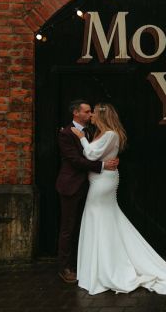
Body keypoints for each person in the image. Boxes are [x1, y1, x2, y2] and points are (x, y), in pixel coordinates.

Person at [71, 102, 166, 296]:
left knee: (99, 217)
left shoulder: (110, 134)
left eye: (94, 112)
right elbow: (96, 158)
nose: (92, 115)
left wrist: (81, 139)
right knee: (103, 219)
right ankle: (100, 264)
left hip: (103, 183)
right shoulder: (100, 134)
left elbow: (91, 154)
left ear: (103, 116)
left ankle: (105, 266)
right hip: (100, 180)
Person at [56, 99, 119, 284]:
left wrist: (109, 160)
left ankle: (85, 264)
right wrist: (102, 165)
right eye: (87, 111)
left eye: (91, 111)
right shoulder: (66, 133)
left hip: (92, 186)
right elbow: (75, 160)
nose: (90, 114)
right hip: (71, 186)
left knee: (89, 224)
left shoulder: (92, 131)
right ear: (76, 113)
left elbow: (100, 149)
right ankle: (65, 268)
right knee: (68, 227)